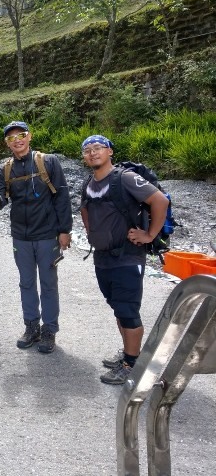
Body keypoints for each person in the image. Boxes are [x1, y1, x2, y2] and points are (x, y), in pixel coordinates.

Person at [79, 134, 169, 385]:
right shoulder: (88, 183)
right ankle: (131, 354)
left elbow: (160, 200)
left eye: (98, 148)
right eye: (87, 150)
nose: (92, 153)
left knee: (128, 311)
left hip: (127, 256)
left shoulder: (125, 178)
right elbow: (85, 209)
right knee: (119, 307)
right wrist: (92, 234)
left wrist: (149, 234)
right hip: (103, 257)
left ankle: (132, 364)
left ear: (110, 152)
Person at [0, 121, 72, 353]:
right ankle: (31, 326)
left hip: (46, 235)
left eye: (21, 135)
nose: (17, 140)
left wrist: (64, 231)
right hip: (20, 236)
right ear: (7, 143)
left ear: (29, 136)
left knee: (48, 283)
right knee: (26, 282)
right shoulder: (3, 170)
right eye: (11, 138)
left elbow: (62, 196)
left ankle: (49, 330)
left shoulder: (48, 161)